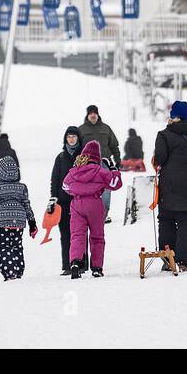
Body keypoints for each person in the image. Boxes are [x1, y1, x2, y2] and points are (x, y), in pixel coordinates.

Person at [151, 100, 187, 273]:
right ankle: (184, 262)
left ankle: (167, 258)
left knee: (167, 222)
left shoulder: (163, 135)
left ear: (172, 116)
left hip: (169, 188)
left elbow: (159, 159)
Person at [62, 141, 122, 278]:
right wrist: (113, 169)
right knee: (97, 237)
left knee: (77, 235)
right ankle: (96, 268)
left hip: (77, 204)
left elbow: (65, 186)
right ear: (97, 157)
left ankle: (75, 262)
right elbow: (116, 184)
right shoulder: (101, 171)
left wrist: (76, 192)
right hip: (95, 204)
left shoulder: (74, 171)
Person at [0, 156, 38, 281]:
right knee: (17, 245)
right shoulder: (21, 187)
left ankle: (9, 272)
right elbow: (27, 205)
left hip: (3, 222)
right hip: (19, 220)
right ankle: (18, 270)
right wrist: (32, 223)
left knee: (4, 246)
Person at [49, 126, 82, 275]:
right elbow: (54, 180)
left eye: (74, 136)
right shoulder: (61, 157)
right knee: (65, 234)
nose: (71, 139)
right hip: (63, 202)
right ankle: (68, 266)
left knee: (80, 233)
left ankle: (81, 264)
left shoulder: (84, 156)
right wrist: (53, 199)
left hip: (80, 200)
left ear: (78, 138)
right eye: (69, 136)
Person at [78, 105, 120, 221]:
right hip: (88, 165)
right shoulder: (81, 130)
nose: (93, 115)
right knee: (90, 189)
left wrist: (118, 160)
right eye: (90, 113)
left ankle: (104, 213)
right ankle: (91, 213)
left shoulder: (106, 128)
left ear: (97, 114)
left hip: (105, 162)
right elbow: (77, 148)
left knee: (106, 188)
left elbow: (114, 145)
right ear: (87, 115)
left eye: (94, 113)